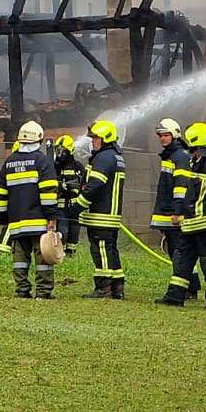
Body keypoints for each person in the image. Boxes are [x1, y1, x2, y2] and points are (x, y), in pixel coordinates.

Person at [157, 121, 206, 308]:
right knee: (183, 259)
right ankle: (175, 296)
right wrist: (180, 211)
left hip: (205, 223)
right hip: (190, 222)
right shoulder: (195, 161)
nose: (192, 153)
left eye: (193, 148)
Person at [0, 120, 61, 298]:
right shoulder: (43, 161)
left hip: (16, 222)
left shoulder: (8, 163)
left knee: (20, 259)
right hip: (39, 222)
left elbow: (0, 194)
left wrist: (2, 218)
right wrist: (52, 217)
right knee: (43, 257)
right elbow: (48, 193)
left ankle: (22, 290)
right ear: (39, 139)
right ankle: (43, 292)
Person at [76, 118, 128, 299]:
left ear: (105, 139)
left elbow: (96, 185)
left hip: (101, 214)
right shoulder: (115, 157)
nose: (93, 142)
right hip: (110, 214)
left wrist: (78, 205)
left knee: (101, 249)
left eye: (96, 139)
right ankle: (117, 287)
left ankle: (104, 288)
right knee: (111, 249)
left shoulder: (103, 157)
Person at [151, 118, 191, 294]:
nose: (162, 138)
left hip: (174, 212)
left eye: (166, 135)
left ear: (174, 135)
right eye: (160, 135)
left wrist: (177, 210)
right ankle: (190, 286)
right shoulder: (171, 155)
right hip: (167, 210)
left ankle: (186, 287)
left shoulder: (180, 156)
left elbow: (181, 186)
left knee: (179, 251)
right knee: (175, 249)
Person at [53, 133, 84, 251]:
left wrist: (74, 186)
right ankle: (60, 253)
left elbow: (84, 186)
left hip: (75, 207)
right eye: (58, 150)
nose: (59, 154)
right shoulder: (54, 167)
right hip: (60, 208)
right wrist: (59, 186)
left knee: (74, 235)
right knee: (63, 232)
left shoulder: (78, 167)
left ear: (70, 151)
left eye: (63, 151)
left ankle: (71, 256)